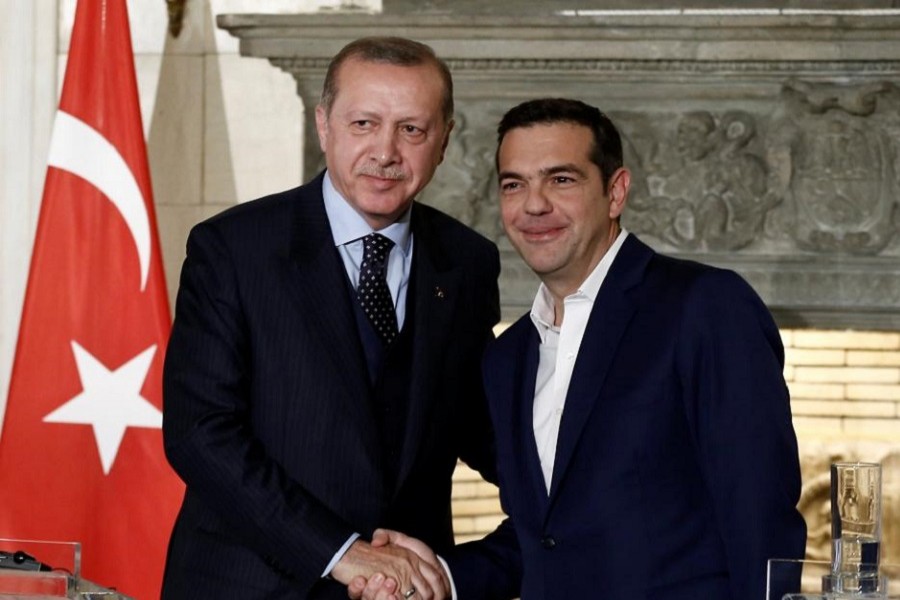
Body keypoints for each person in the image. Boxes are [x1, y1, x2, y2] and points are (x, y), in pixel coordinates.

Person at [353, 98, 807, 600]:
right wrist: (439, 574)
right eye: (514, 184)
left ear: (616, 192)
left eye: (561, 180)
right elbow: (547, 539)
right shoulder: (509, 357)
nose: (534, 204)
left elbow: (760, 521)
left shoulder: (703, 308)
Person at [160, 36, 500, 600]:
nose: (386, 152)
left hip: (406, 593)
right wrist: (341, 552)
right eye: (363, 123)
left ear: (443, 140)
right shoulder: (233, 250)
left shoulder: (467, 261)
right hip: (249, 587)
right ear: (324, 126)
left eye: (411, 129)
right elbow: (200, 434)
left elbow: (480, 426)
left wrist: (578, 507)